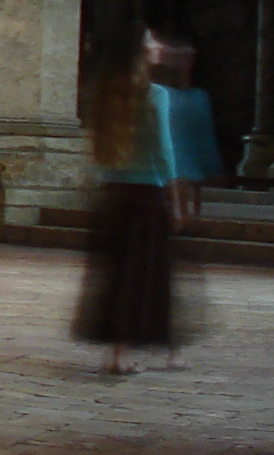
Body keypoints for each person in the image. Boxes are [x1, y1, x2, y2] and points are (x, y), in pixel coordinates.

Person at [74, 30, 220, 373]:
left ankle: (119, 354)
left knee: (121, 278)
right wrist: (178, 203)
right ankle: (168, 351)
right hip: (146, 199)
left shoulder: (107, 96)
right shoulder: (155, 96)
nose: (158, 46)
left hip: (115, 196)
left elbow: (98, 153)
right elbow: (164, 153)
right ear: (140, 54)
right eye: (151, 43)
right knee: (153, 277)